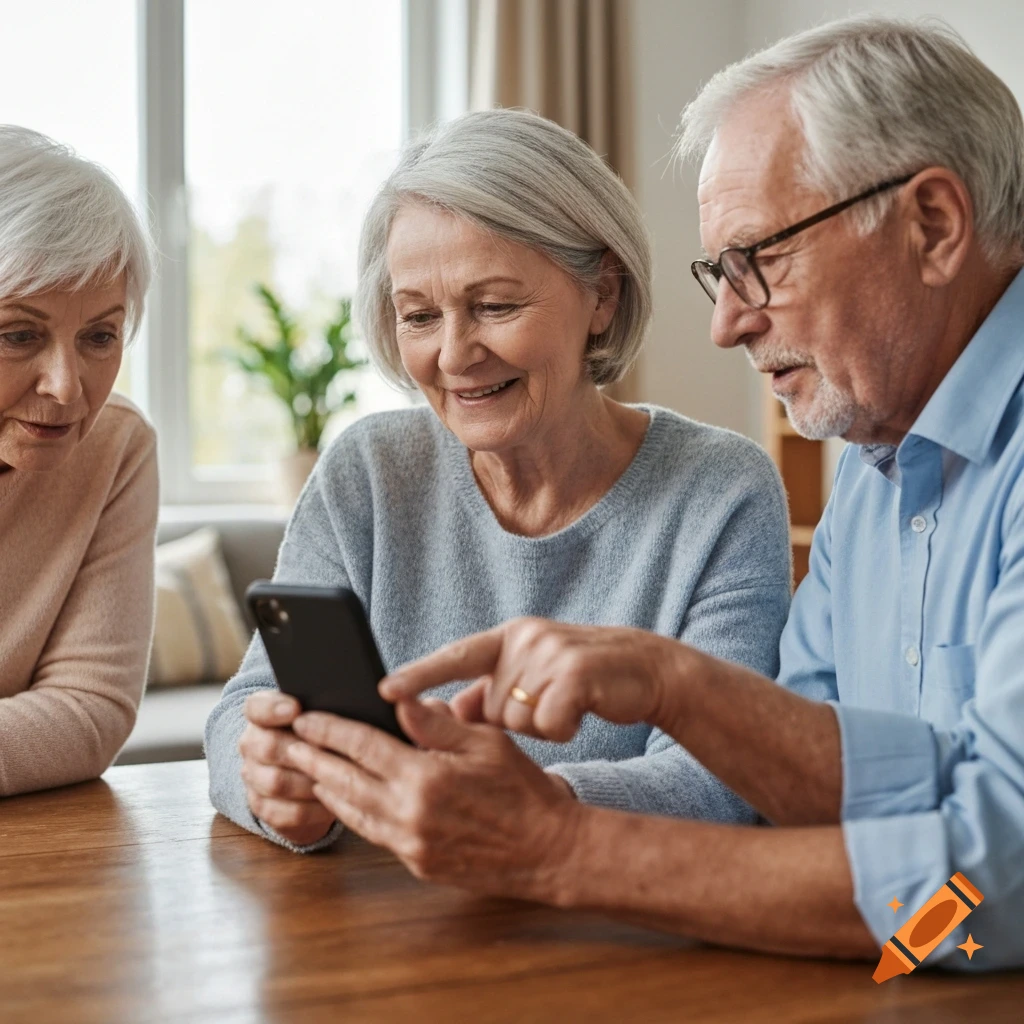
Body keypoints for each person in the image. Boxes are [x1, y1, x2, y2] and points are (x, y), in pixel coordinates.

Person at [284, 18, 1024, 972]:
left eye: (761, 257)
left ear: (932, 225)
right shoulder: (873, 473)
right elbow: (805, 799)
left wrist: (556, 846)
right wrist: (680, 688)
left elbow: (989, 889)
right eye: (720, 272)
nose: (725, 324)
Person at [205, 108, 792, 850]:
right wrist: (267, 779)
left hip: (620, 928)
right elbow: (247, 707)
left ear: (602, 296)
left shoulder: (722, 491)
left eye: (494, 306)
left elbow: (726, 780)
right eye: (418, 316)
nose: (453, 355)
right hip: (383, 927)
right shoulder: (368, 471)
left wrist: (519, 809)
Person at [0, 126, 157, 796]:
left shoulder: (115, 449)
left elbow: (91, 708)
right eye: (17, 334)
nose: (66, 389)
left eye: (100, 336)